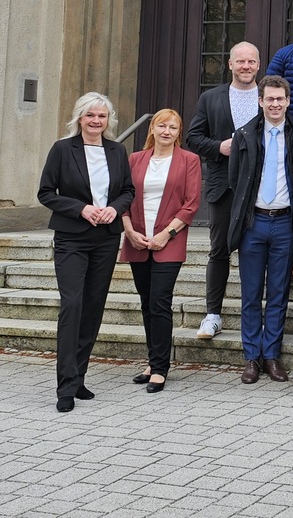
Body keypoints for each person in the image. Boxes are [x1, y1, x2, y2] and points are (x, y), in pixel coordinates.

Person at [37, 92, 135, 412]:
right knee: (73, 305)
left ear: (108, 121)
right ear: (80, 117)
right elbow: (46, 193)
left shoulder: (117, 151)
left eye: (102, 116)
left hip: (105, 238)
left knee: (93, 308)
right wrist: (80, 209)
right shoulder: (63, 149)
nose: (96, 121)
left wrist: (113, 209)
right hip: (71, 239)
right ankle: (65, 386)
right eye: (90, 115)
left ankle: (78, 377)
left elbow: (127, 191)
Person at [227, 75, 293, 384]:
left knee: (278, 293)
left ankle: (271, 355)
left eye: (281, 99)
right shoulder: (245, 135)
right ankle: (252, 357)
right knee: (251, 294)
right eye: (270, 99)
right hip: (254, 224)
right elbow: (235, 181)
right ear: (261, 101)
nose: (275, 104)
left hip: (286, 225)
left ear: (288, 101)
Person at [120, 109, 202, 393]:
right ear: (152, 129)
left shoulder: (189, 160)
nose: (167, 131)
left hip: (170, 239)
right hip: (137, 239)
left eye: (173, 127)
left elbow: (191, 204)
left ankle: (161, 368)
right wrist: (129, 230)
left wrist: (167, 234)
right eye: (162, 126)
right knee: (146, 302)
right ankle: (152, 361)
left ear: (179, 132)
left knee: (159, 301)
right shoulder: (135, 160)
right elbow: (124, 198)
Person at [186, 41, 261, 339]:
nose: (246, 66)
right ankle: (212, 314)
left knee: (254, 253)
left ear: (258, 64)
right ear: (230, 64)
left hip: (259, 188)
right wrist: (219, 147)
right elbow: (193, 137)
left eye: (251, 62)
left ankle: (251, 316)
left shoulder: (266, 97)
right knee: (219, 251)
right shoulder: (210, 98)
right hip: (223, 188)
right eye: (240, 61)